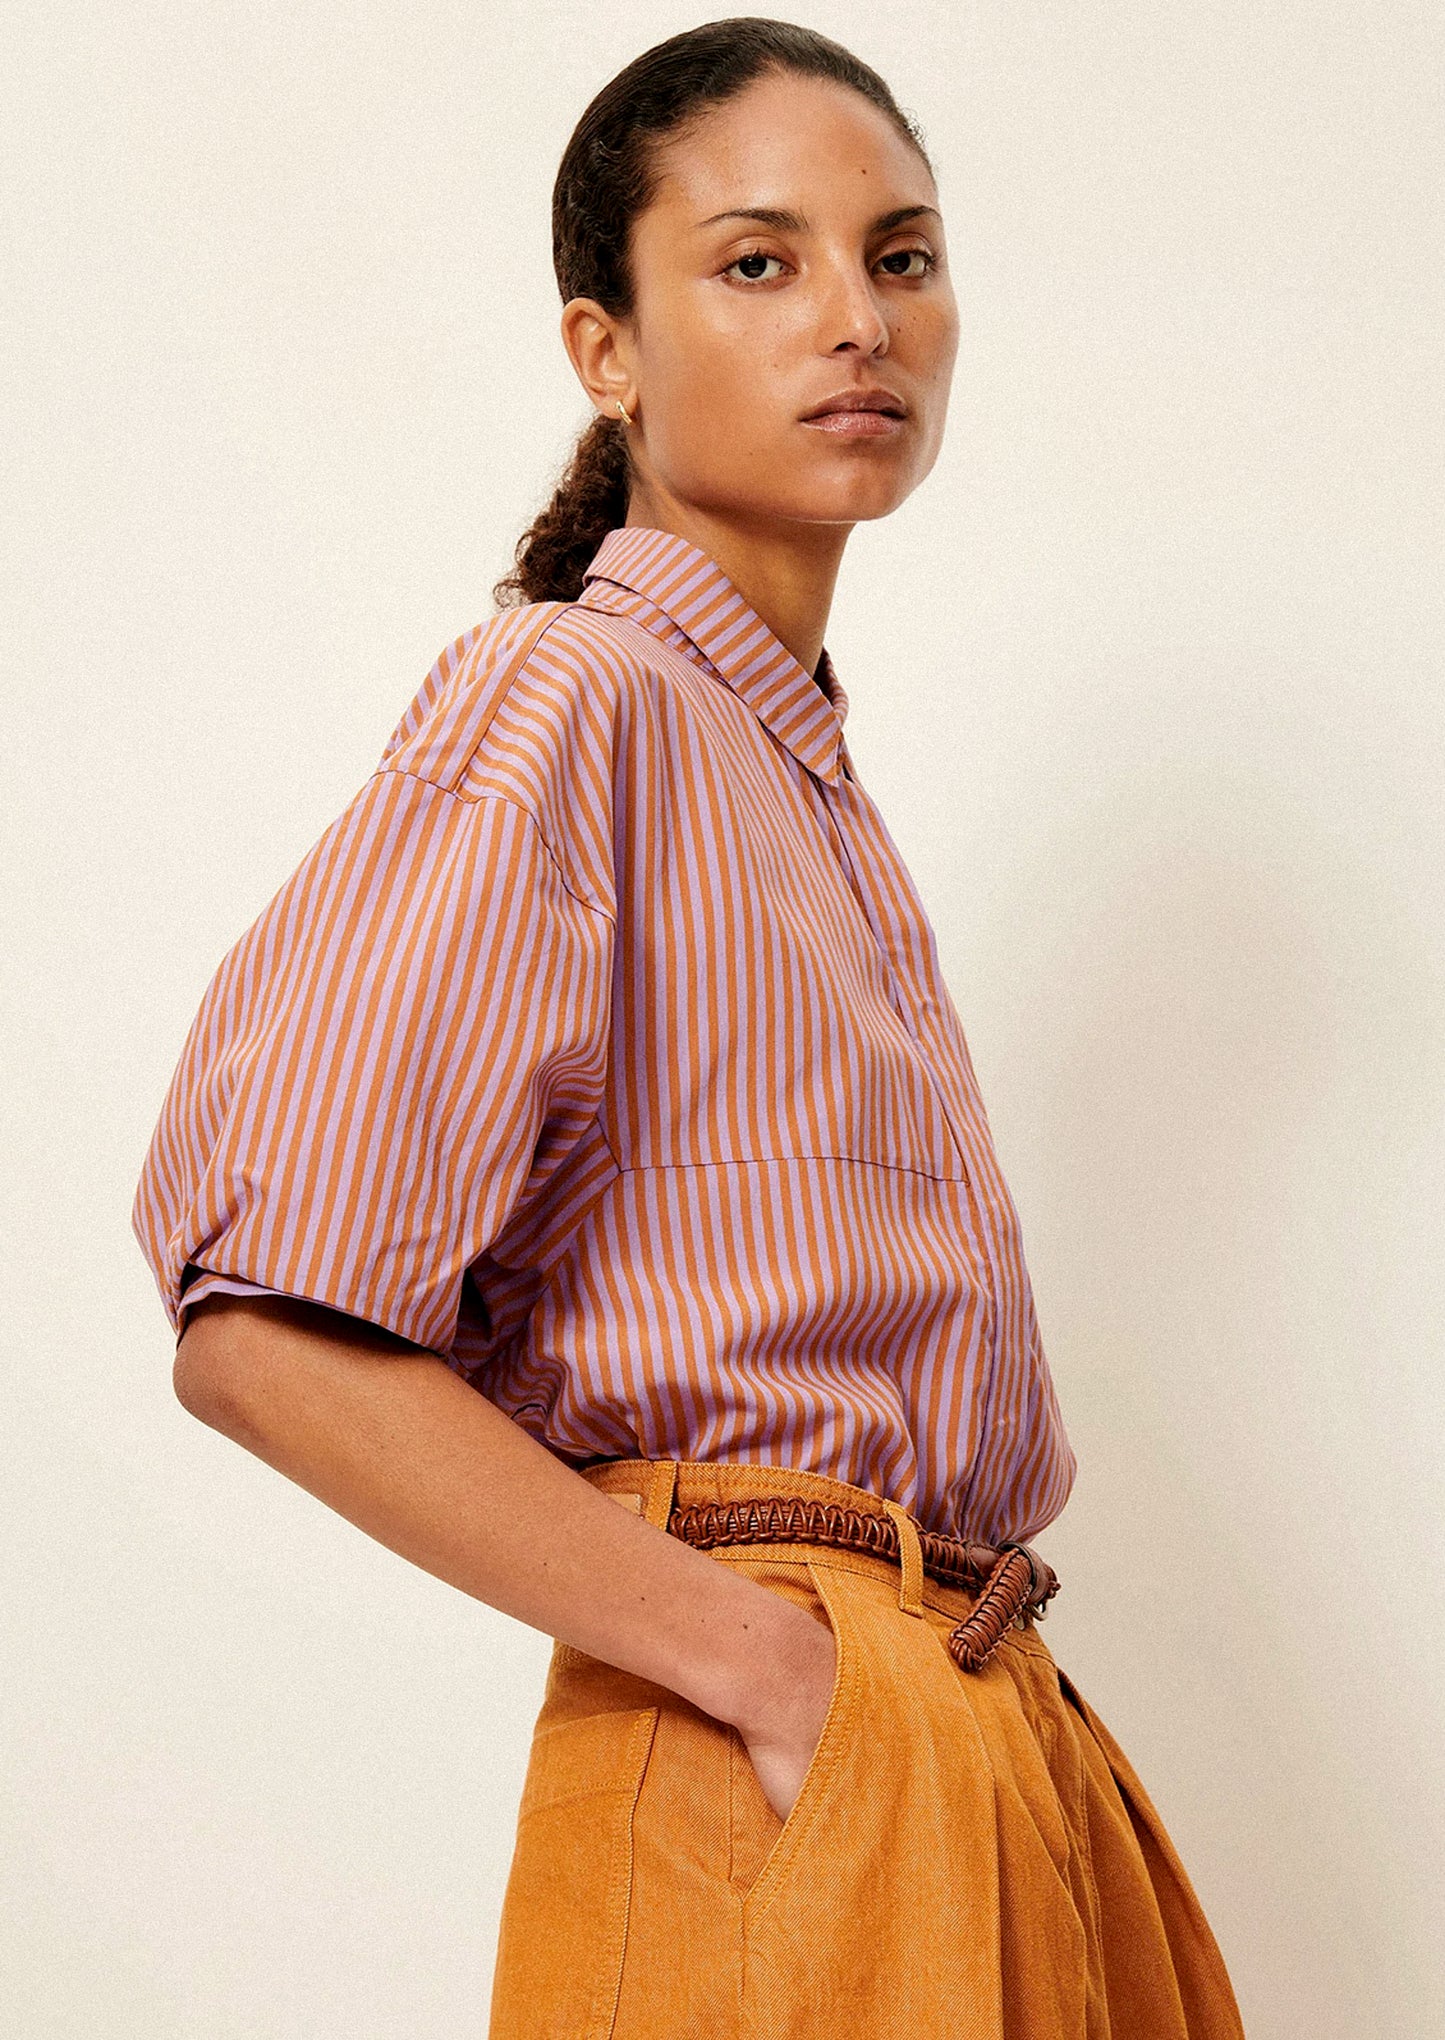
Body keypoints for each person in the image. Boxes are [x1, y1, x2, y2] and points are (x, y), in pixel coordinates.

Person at [131, 18, 1247, 2038]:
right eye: (759, 261)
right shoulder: (572, 702)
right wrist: (770, 1669)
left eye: (900, 257)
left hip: (986, 1722)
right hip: (789, 1733)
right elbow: (265, 1330)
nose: (856, 319)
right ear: (604, 349)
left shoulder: (800, 785)